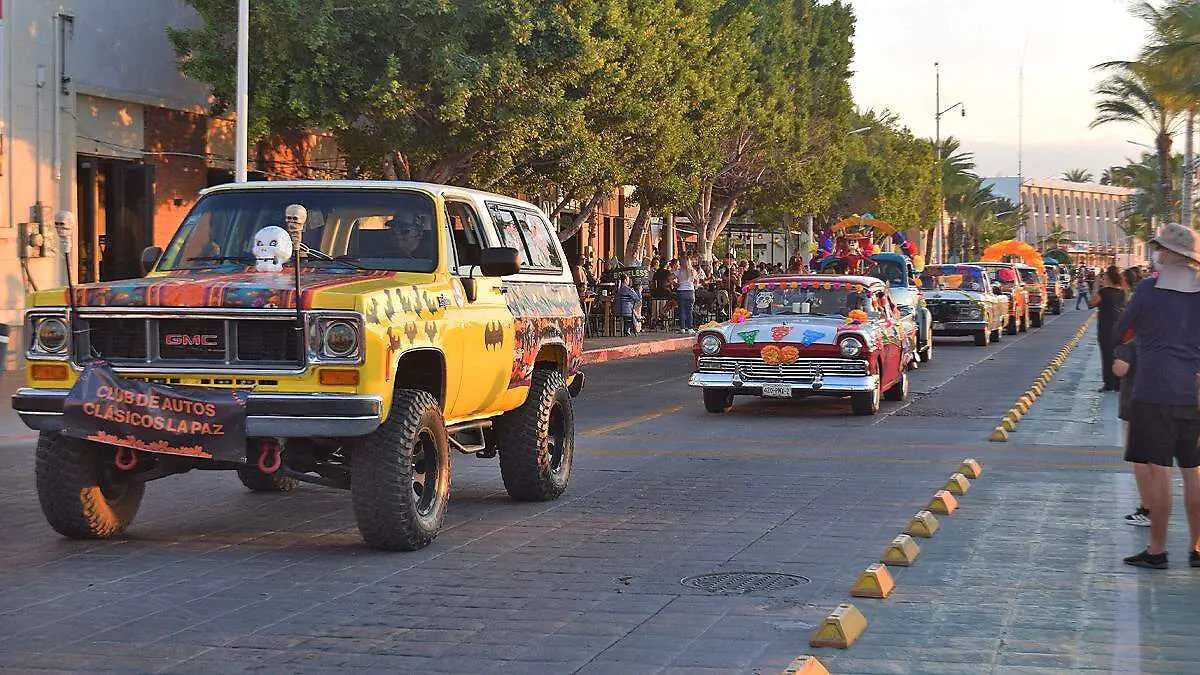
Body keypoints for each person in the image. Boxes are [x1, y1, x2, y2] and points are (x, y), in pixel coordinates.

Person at [1112, 223, 1200, 569]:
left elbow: (1122, 332)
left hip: (1153, 391)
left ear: (1171, 255)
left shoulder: (1149, 290)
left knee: (1160, 469)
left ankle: (1157, 549)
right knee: (1193, 470)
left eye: (1161, 249)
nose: (1158, 254)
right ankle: (1196, 548)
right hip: (1193, 393)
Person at [1114, 341, 1150, 527]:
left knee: (1140, 459)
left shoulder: (1133, 338)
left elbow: (1121, 368)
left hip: (1135, 405)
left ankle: (1148, 508)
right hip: (1165, 403)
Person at [1089, 265, 1126, 391]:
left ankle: (1108, 383)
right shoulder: (1121, 292)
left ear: (1108, 277)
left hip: (1106, 326)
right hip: (1119, 326)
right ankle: (1118, 383)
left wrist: (1096, 285)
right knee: (1117, 355)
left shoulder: (1103, 292)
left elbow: (1091, 303)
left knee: (1107, 355)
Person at [676, 255, 700, 334]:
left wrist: (675, 284)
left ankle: (682, 328)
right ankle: (690, 328)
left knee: (682, 310)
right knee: (689, 311)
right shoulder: (693, 271)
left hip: (681, 291)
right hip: (690, 292)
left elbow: (669, 278)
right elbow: (697, 282)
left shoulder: (679, 271)